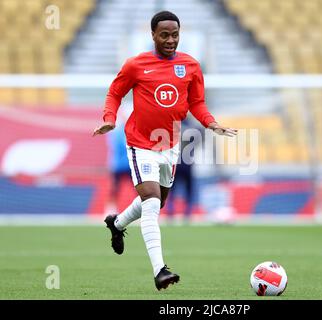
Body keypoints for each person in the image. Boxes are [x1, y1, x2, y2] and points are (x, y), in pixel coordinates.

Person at [93, 10, 237, 291]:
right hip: (140, 144)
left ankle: (118, 223)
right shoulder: (136, 65)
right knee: (151, 203)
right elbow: (114, 92)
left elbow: (197, 103)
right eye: (165, 35)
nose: (171, 40)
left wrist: (212, 123)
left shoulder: (191, 66)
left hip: (170, 145)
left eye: (175, 35)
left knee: (157, 200)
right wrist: (109, 118)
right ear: (153, 35)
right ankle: (160, 270)